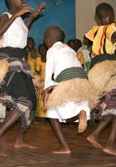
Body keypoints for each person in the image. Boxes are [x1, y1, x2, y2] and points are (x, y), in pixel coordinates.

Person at [0, 0, 45, 156]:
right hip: (10, 59)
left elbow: (22, 32)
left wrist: (33, 16)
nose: (23, 1)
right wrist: (17, 14)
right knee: (24, 101)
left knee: (31, 101)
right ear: (12, 0)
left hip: (21, 59)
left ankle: (20, 140)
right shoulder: (6, 15)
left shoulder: (18, 19)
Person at [85, 2, 116, 157]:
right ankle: (111, 144)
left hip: (98, 70)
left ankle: (94, 135)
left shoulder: (96, 30)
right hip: (109, 69)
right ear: (110, 14)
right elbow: (114, 35)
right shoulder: (110, 28)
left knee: (112, 106)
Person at [43, 26, 94, 154]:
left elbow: (48, 75)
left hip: (67, 80)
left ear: (48, 40)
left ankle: (65, 147)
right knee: (64, 112)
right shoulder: (69, 49)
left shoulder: (51, 50)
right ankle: (80, 112)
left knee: (52, 113)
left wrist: (46, 96)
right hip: (82, 81)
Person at [35, 44, 48, 120]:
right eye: (41, 49)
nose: (42, 50)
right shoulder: (38, 60)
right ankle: (41, 116)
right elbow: (37, 72)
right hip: (41, 83)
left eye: (44, 49)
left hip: (49, 82)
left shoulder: (50, 59)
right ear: (39, 51)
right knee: (41, 99)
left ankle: (49, 117)